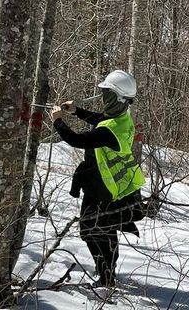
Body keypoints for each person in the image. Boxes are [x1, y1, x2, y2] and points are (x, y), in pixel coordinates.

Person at [50, 69, 145, 288]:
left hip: (106, 189)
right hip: (102, 185)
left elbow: (76, 140)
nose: (103, 98)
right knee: (101, 230)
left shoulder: (112, 131)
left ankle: (106, 277)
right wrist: (76, 111)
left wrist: (58, 121)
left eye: (107, 94)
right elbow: (100, 120)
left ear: (117, 98)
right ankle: (107, 273)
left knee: (95, 231)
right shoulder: (121, 117)